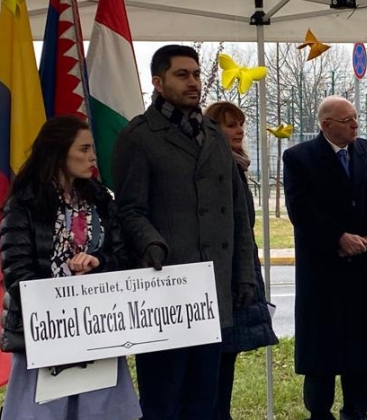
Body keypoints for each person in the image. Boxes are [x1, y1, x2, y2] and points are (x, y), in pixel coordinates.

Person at [112, 45, 256, 419]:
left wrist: (243, 274)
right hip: (165, 291)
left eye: (195, 74)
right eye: (182, 75)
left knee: (205, 400)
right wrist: (151, 244)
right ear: (158, 83)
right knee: (164, 399)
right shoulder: (138, 137)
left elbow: (237, 212)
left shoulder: (211, 133)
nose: (193, 82)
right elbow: (129, 210)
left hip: (213, 292)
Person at [0, 116, 142, 420]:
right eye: (84, 149)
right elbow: (16, 272)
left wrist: (99, 262)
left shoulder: (101, 201)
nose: (93, 157)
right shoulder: (24, 205)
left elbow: (124, 258)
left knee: (99, 412)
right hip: (45, 334)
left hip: (97, 328)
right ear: (59, 152)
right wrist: (59, 307)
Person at [283, 95, 367, 420]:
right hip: (323, 272)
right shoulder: (299, 158)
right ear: (326, 125)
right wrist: (337, 237)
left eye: (356, 118)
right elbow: (301, 209)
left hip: (364, 269)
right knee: (321, 349)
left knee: (361, 348)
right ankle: (319, 411)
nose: (355, 124)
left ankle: (357, 410)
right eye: (347, 120)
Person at [204, 101, 279, 420]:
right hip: (220, 275)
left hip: (239, 271)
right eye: (230, 124)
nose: (239, 130)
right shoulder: (215, 168)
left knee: (228, 355)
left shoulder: (238, 166)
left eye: (240, 124)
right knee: (215, 359)